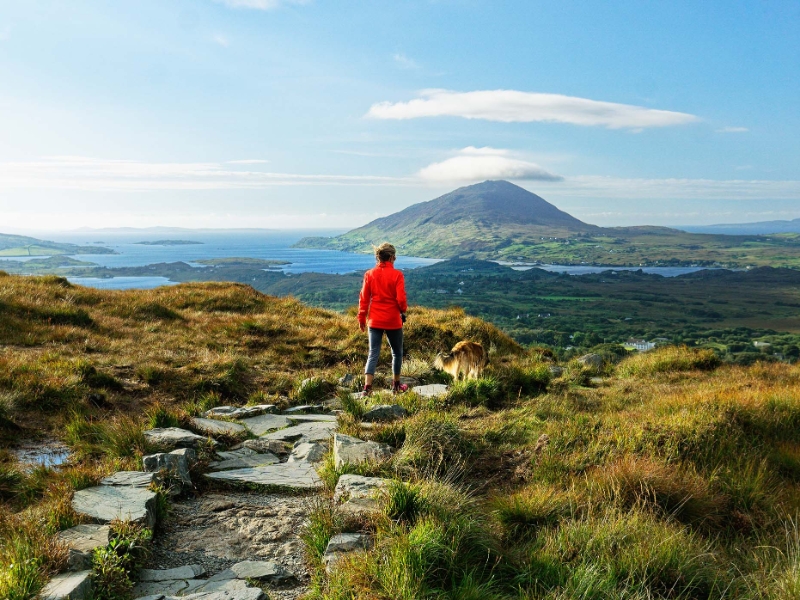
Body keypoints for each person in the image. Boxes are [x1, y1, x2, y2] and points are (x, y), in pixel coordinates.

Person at [358, 242, 408, 395]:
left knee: (373, 353)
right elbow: (401, 299)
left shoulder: (369, 274)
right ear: (392, 257)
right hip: (393, 320)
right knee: (397, 353)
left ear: (378, 258)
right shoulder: (397, 275)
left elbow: (364, 299)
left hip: (374, 320)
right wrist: (403, 310)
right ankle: (396, 386)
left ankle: (367, 388)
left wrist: (361, 318)